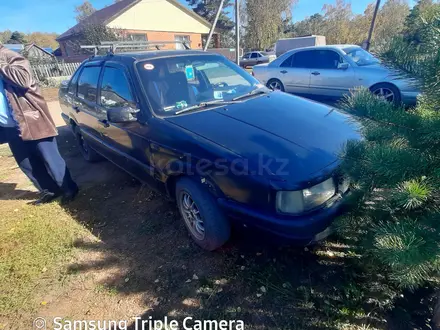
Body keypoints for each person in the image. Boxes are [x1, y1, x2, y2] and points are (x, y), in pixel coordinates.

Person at [0, 43, 78, 205]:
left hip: (32, 120)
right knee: (26, 163)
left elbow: (23, 80)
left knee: (51, 159)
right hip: (9, 126)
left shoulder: (10, 56)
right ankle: (50, 190)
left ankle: (69, 188)